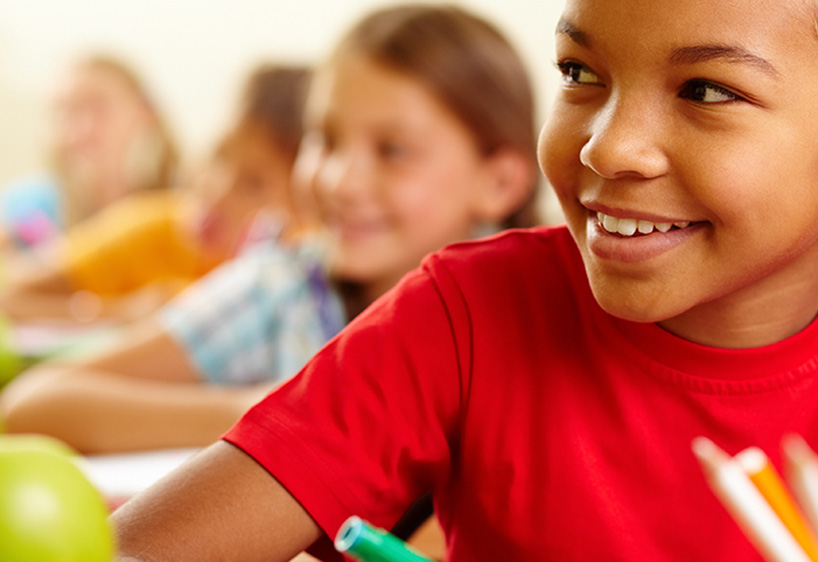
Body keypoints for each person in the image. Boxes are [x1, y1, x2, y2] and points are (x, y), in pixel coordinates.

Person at [104, 0, 818, 559]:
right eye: (582, 74)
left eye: (707, 91)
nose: (606, 144)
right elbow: (140, 553)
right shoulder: (466, 314)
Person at [0, 4, 538, 461]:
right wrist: (262, 410)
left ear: (500, 180)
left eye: (392, 151)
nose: (338, 181)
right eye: (324, 139)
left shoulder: (539, 320)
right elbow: (32, 404)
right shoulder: (282, 293)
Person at [0, 63, 311, 325]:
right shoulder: (151, 227)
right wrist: (121, 312)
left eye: (253, 184)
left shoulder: (307, 272)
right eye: (218, 156)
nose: (215, 193)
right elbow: (9, 296)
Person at [0, 54, 177, 252]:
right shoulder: (24, 210)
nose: (83, 128)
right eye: (66, 110)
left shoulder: (181, 206)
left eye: (98, 106)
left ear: (145, 110)